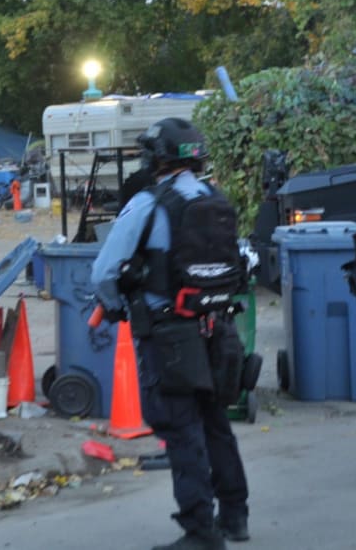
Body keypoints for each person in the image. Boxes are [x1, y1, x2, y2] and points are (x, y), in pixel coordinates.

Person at [91, 118, 249, 550]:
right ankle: (235, 516)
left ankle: (200, 531)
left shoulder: (149, 204)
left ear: (157, 157)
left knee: (182, 432)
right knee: (216, 423)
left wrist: (116, 305)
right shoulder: (216, 199)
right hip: (218, 329)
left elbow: (103, 271)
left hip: (169, 336)